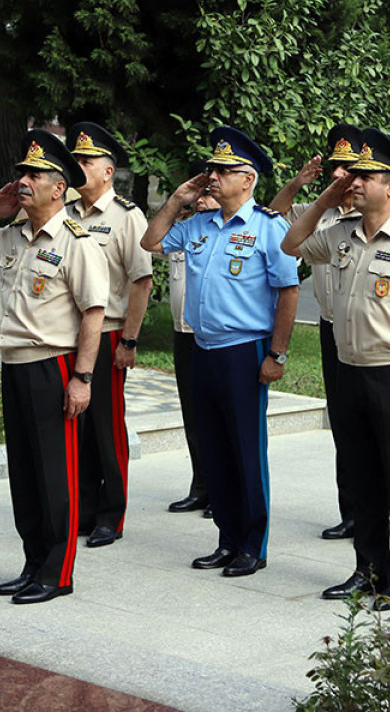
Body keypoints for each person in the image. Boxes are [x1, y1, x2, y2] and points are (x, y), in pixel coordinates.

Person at [282, 128, 390, 611]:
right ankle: (367, 567)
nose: (352, 182)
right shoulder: (339, 233)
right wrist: (326, 197)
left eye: (363, 176)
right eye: (350, 176)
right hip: (347, 370)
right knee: (360, 478)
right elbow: (292, 243)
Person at [141, 126, 300, 578]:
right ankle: (227, 539)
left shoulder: (269, 228)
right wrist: (175, 201)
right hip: (203, 348)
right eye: (211, 168)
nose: (213, 176)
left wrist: (278, 354)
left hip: (244, 350)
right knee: (214, 450)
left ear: (247, 179)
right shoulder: (196, 224)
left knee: (246, 450)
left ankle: (253, 545)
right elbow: (150, 242)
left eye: (224, 170)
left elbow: (288, 291)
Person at [0, 129, 109, 604]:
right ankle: (31, 565)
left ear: (58, 187)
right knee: (24, 474)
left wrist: (83, 378)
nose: (23, 180)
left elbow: (93, 313)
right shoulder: (12, 236)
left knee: (54, 475)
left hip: (54, 367)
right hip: (15, 365)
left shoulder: (77, 242)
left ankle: (57, 573)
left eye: (35, 174)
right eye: (21, 172)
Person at [268, 124, 364, 540]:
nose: (341, 176)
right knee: (342, 424)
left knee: (370, 427)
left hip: (366, 333)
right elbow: (275, 215)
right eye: (335, 169)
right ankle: (351, 511)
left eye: (349, 168)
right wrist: (297, 183)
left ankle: (380, 511)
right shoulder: (319, 213)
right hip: (329, 328)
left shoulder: (370, 213)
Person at [65, 122, 153, 549]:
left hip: (109, 334)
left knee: (106, 428)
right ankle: (81, 510)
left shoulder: (126, 216)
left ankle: (110, 514)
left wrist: (129, 341)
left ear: (108, 171)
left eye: (87, 161)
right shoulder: (64, 213)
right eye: (75, 160)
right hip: (69, 336)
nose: (79, 167)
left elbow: (141, 281)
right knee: (75, 429)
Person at [166, 161, 221, 518]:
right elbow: (150, 240)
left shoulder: (227, 233)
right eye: (197, 195)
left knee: (218, 417)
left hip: (214, 335)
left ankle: (221, 491)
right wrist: (176, 202)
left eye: (208, 195)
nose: (200, 201)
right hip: (182, 332)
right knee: (192, 414)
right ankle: (200, 485)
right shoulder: (183, 231)